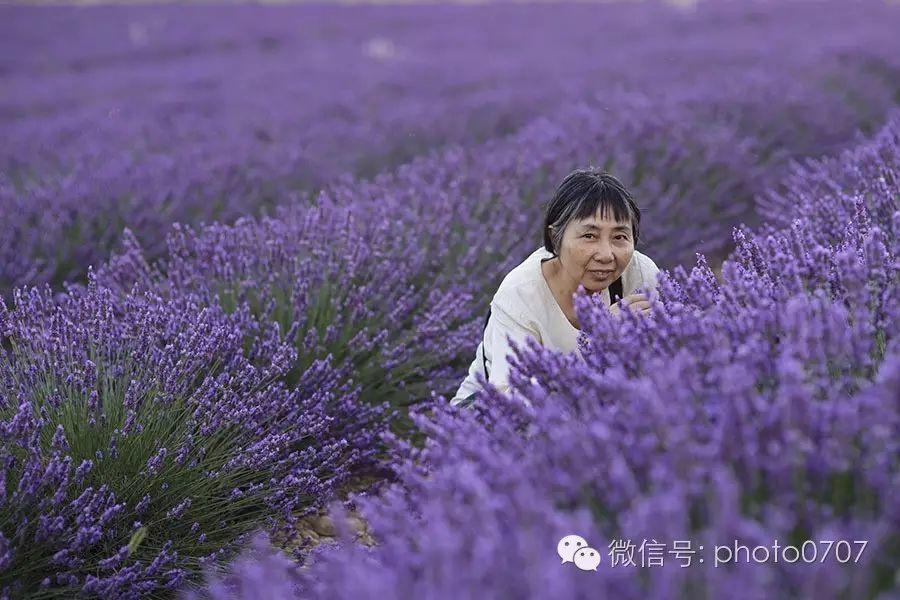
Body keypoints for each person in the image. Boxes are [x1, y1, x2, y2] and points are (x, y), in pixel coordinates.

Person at [450, 168, 660, 407]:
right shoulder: (521, 294)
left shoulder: (639, 274)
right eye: (589, 236)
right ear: (555, 237)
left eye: (619, 237)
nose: (606, 254)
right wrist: (598, 345)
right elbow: (511, 403)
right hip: (490, 418)